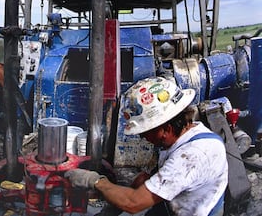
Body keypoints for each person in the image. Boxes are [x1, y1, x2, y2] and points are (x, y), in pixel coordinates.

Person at [65, 77, 228, 216]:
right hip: (174, 204)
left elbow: (133, 203)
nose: (142, 136)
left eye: (145, 131)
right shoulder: (186, 134)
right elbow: (144, 182)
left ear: (166, 128)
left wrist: (96, 181)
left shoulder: (192, 156)